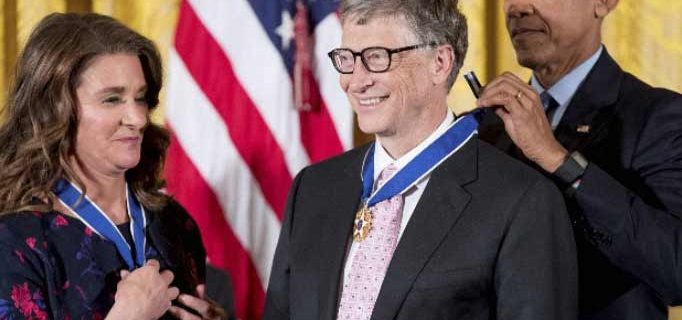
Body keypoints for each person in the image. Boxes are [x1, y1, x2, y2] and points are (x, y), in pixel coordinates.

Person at [263, 0, 577, 319]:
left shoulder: (522, 202)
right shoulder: (312, 188)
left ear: (439, 62)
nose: (355, 81)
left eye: (376, 58)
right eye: (347, 59)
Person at [0, 13, 225, 319]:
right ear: (54, 109)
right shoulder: (15, 241)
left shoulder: (173, 223)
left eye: (141, 98)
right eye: (112, 99)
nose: (138, 118)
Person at [477, 0, 682, 319]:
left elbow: (675, 268)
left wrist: (558, 159)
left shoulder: (657, 116)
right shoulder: (481, 128)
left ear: (603, 3)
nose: (516, 7)